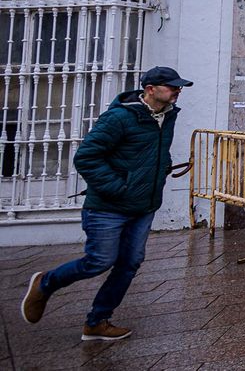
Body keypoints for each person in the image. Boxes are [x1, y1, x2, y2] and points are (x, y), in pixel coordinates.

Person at [20, 66, 192, 340]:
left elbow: (154, 151)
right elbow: (86, 157)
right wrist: (118, 188)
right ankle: (45, 282)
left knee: (130, 263)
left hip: (143, 206)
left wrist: (162, 167)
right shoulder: (120, 117)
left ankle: (97, 321)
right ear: (150, 89)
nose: (177, 90)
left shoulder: (167, 115)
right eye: (172, 86)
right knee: (99, 261)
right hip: (108, 207)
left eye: (178, 86)